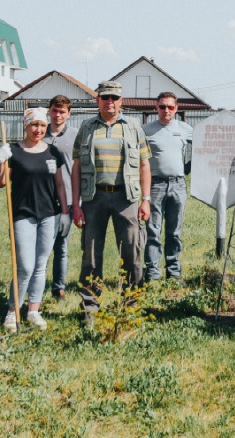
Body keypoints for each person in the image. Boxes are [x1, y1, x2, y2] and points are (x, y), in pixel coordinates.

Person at [70, 81, 152, 326]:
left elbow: (146, 165)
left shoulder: (134, 128)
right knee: (91, 254)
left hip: (125, 197)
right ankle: (91, 306)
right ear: (98, 100)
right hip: (93, 198)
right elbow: (76, 167)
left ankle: (130, 304)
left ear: (121, 100)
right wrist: (76, 204)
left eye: (114, 97)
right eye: (105, 97)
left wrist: (145, 200)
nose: (110, 102)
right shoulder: (86, 128)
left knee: (131, 251)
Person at [0, 107, 68, 330]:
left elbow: (59, 184)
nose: (38, 129)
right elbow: (0, 183)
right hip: (23, 214)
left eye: (41, 125)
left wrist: (65, 212)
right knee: (25, 266)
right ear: (25, 126)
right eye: (33, 125)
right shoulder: (13, 150)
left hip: (49, 214)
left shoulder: (53, 152)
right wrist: (0, 162)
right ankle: (12, 311)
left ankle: (33, 310)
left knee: (40, 265)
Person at [143, 91, 193, 282]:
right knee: (153, 231)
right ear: (156, 108)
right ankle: (153, 273)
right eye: (162, 106)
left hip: (178, 185)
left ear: (176, 109)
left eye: (170, 107)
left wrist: (188, 167)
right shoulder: (146, 130)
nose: (166, 110)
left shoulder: (185, 128)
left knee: (174, 231)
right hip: (155, 185)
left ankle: (173, 272)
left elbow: (203, 147)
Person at [44, 95, 78, 300]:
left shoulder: (75, 135)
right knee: (41, 247)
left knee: (61, 246)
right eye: (55, 111)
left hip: (67, 198)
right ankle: (35, 287)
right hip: (43, 197)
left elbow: (78, 168)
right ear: (49, 111)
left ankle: (59, 287)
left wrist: (77, 202)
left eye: (62, 111)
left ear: (69, 113)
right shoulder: (39, 132)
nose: (58, 115)